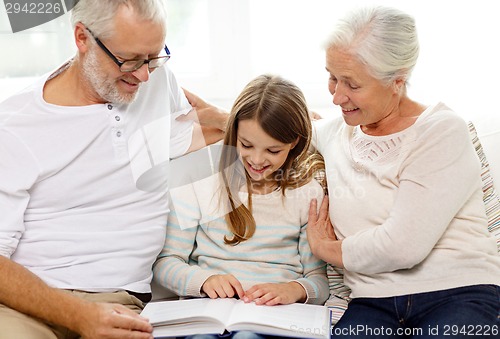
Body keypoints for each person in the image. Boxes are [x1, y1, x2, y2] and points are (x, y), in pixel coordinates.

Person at [0, 1, 224, 338]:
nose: (144, 74)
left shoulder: (157, 84)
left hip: (123, 302)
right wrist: (80, 316)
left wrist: (238, 118)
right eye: (130, 60)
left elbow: (195, 132)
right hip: (29, 307)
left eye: (154, 57)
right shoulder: (16, 126)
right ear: (82, 38)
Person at [305, 5, 500, 338]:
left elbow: (402, 245)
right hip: (372, 302)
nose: (337, 96)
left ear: (397, 81)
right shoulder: (336, 133)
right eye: (331, 77)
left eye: (351, 84)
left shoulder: (441, 131)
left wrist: (325, 249)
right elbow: (275, 128)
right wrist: (215, 119)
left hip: (457, 292)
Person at [153, 74, 330, 339]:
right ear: (233, 132)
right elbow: (166, 263)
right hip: (208, 316)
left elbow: (319, 279)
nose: (257, 160)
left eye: (273, 151)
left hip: (271, 320)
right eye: (246, 145)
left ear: (294, 144)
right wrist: (204, 281)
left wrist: (293, 289)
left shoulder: (307, 195)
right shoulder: (202, 185)